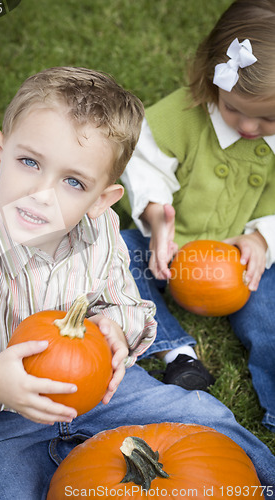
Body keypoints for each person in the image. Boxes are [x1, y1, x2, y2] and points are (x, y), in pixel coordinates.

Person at [0, 66, 274, 500]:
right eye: (29, 162)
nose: (41, 193)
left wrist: (116, 329)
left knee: (203, 417)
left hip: (103, 391)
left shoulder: (101, 231)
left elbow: (128, 305)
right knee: (6, 485)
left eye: (73, 181)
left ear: (101, 199)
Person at [120, 0, 275, 432]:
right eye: (233, 110)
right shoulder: (182, 115)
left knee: (273, 320)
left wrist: (264, 238)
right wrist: (156, 217)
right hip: (168, 248)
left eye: (268, 118)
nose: (247, 126)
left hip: (248, 262)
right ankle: (177, 354)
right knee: (113, 253)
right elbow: (143, 163)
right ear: (212, 77)